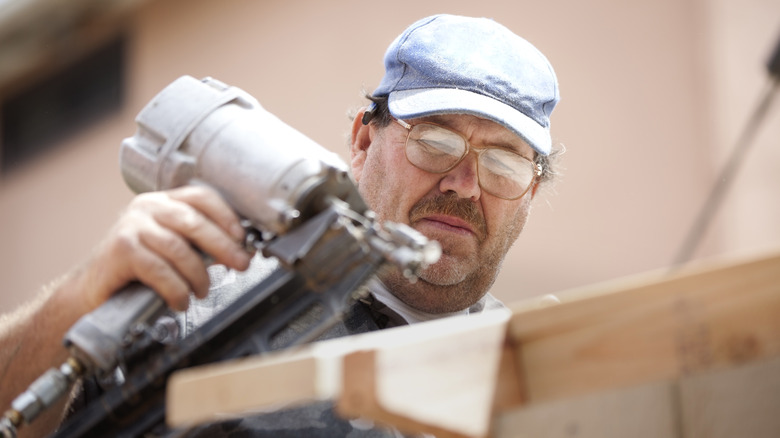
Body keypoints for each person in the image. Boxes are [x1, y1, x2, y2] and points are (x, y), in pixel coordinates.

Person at [0, 13, 561, 438]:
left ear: (530, 191)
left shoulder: (548, 379)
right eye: (436, 142)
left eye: (504, 163)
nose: (465, 183)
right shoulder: (197, 305)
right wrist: (76, 302)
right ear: (364, 143)